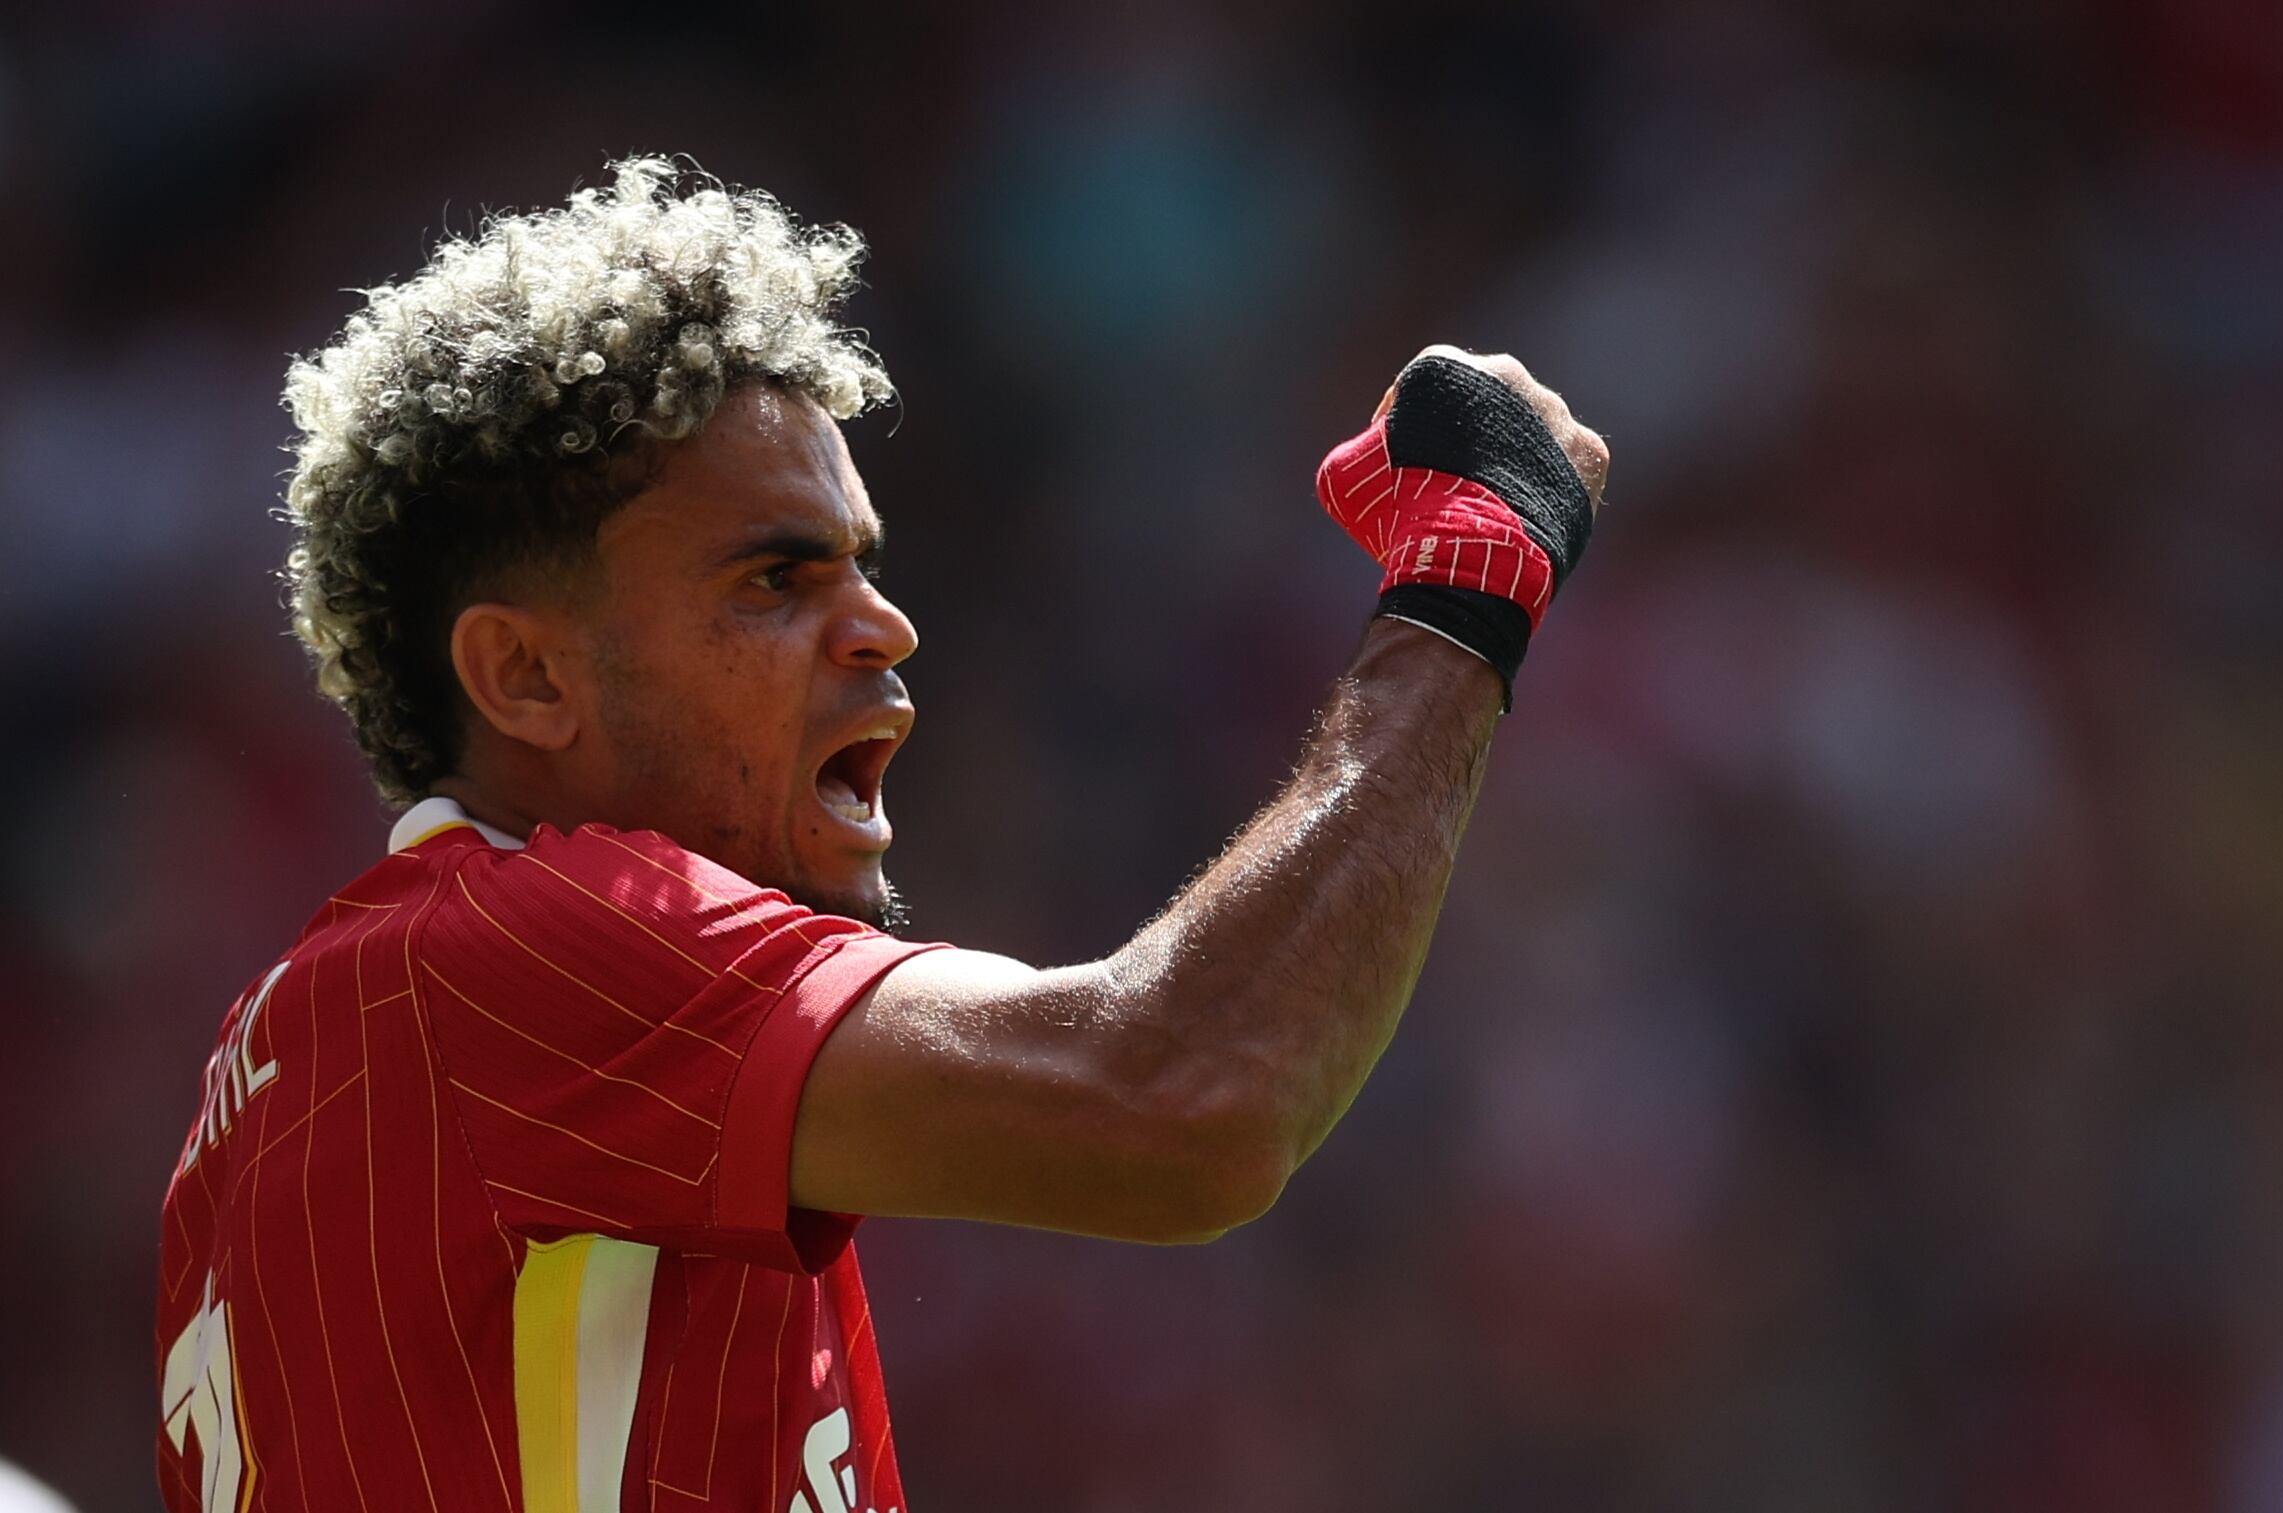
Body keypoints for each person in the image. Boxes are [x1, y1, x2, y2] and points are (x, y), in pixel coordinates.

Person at [154, 155, 1607, 1513]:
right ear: (525, 675)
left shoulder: (312, 1063)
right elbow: (1184, 1093)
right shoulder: (518, 952)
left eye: (863, 564)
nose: (885, 625)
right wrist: (1459, 592)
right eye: (773, 579)